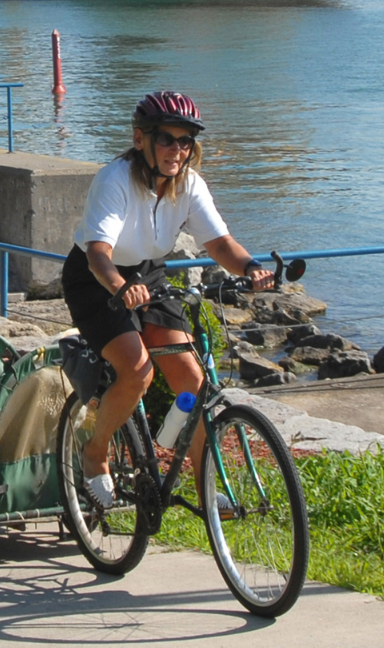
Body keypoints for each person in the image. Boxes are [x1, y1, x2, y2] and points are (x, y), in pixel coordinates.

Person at [62, 91, 273, 509]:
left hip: (148, 273)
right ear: (141, 139)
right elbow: (97, 253)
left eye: (185, 141)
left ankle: (205, 493)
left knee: (192, 382)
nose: (177, 150)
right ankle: (95, 454)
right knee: (138, 371)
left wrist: (250, 268)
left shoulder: (189, 185)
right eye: (167, 139)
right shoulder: (115, 179)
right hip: (96, 278)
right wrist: (119, 287)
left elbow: (219, 243)